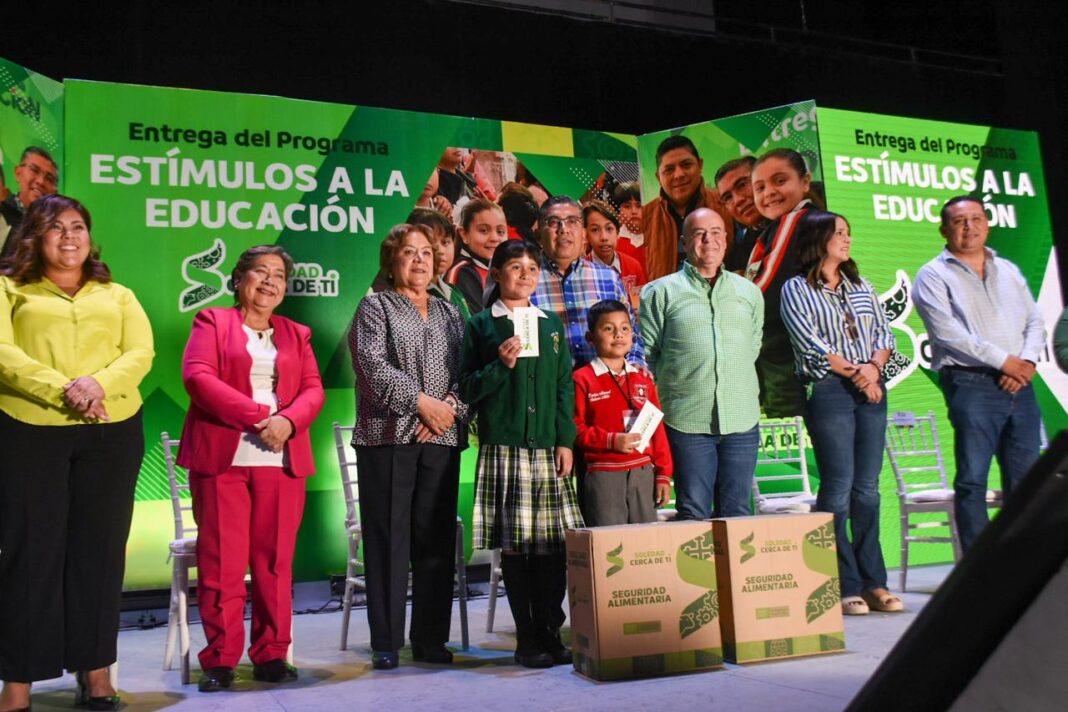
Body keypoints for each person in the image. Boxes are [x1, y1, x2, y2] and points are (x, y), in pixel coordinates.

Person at [0, 194, 153, 712]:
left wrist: (97, 385)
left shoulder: (118, 294)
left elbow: (140, 353)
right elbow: (3, 353)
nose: (70, 237)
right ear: (34, 237)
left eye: (78, 227)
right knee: (29, 554)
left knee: (100, 553)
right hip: (29, 430)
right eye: (56, 227)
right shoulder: (9, 288)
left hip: (111, 431)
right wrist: (66, 390)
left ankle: (96, 672)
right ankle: (18, 682)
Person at [178, 245, 324, 692]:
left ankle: (272, 653)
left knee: (275, 563)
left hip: (281, 461)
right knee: (222, 563)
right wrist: (261, 416)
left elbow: (313, 390)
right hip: (224, 461)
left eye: (278, 275)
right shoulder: (211, 322)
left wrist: (288, 421)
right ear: (239, 279)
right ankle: (220, 659)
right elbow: (198, 377)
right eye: (260, 272)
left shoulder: (297, 333)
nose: (269, 281)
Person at [350, 224, 469, 670]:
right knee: (388, 540)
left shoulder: (451, 312)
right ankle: (386, 641)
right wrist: (422, 405)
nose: (419, 260)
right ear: (391, 260)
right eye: (408, 252)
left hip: (442, 437)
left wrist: (449, 409)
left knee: (435, 541)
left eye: (426, 253)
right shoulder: (374, 306)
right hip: (388, 437)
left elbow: (468, 369)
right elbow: (372, 366)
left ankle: (430, 640)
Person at [460, 239, 581, 668]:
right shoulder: (481, 325)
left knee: (552, 549)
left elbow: (564, 387)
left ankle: (551, 630)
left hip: (547, 450)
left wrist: (565, 440)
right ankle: (526, 638)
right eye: (515, 267)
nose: (525, 275)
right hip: (505, 449)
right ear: (496, 273)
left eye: (532, 268)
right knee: (516, 549)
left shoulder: (550, 325)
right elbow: (467, 387)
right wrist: (501, 365)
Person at [779, 210, 902, 616]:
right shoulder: (797, 288)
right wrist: (859, 375)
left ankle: (875, 582)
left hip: (871, 389)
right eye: (839, 233)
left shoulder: (861, 285)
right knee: (838, 487)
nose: (847, 239)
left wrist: (873, 369)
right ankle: (843, 582)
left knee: (868, 488)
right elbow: (811, 344)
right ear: (818, 238)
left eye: (849, 232)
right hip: (830, 390)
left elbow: (884, 334)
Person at [912, 196, 1045, 552]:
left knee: (1026, 480)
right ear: (944, 230)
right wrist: (1006, 362)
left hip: (1021, 385)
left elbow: (1035, 320)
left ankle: (1021, 559)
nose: (969, 227)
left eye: (976, 219)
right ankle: (979, 565)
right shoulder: (932, 275)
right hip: (971, 384)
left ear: (987, 223)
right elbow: (948, 334)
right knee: (973, 479)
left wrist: (1025, 362)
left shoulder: (1008, 269)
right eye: (959, 221)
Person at [640, 208, 762, 520]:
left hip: (742, 420)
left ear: (727, 239)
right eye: (699, 233)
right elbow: (647, 356)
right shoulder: (659, 292)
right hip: (687, 421)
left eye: (716, 232)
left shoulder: (749, 292)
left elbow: (752, 346)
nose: (709, 240)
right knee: (693, 513)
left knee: (737, 512)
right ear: (684, 242)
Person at [573, 300, 672, 526]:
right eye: (608, 328)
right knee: (609, 539)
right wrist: (611, 441)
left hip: (643, 472)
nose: (618, 334)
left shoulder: (643, 378)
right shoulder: (581, 379)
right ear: (590, 337)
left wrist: (663, 474)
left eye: (625, 328)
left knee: (645, 539)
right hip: (603, 473)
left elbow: (657, 430)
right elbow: (575, 427)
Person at [745, 148, 818, 418]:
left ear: (805, 181)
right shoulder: (776, 227)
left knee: (790, 422)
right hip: (786, 348)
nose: (769, 193)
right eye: (760, 187)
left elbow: (768, 286)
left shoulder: (796, 220)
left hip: (787, 350)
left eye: (780, 181)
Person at [531, 195, 644, 368]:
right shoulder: (524, 282)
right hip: (548, 384)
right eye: (553, 222)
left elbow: (633, 336)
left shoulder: (609, 279)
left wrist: (635, 366)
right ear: (538, 235)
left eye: (572, 221)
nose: (563, 229)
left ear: (583, 234)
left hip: (606, 382)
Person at [640, 135, 733, 281]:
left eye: (686, 165)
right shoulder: (644, 216)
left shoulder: (725, 204)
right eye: (669, 170)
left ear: (700, 165)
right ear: (658, 177)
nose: (679, 175)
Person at [445, 198, 508, 314]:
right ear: (464, 235)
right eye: (484, 230)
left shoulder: (506, 270)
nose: (494, 238)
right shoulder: (461, 273)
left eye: (500, 232)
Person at [407, 207, 471, 320]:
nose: (440, 251)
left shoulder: (454, 292)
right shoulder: (409, 298)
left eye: (445, 242)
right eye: (430, 242)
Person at [584, 200, 647, 312]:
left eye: (609, 229)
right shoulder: (581, 270)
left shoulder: (633, 266)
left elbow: (642, 306)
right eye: (595, 230)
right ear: (586, 235)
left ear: (617, 232)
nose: (604, 237)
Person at [1, 147, 60, 259]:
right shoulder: (2, 212)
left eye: (49, 178)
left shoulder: (56, 229)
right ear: (18, 173)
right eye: (34, 170)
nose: (40, 181)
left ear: (55, 191)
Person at [714, 156, 766, 273]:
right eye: (728, 197)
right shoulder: (734, 260)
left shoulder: (801, 223)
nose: (737, 200)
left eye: (742, 185)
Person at [611, 181, 646, 268]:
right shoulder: (613, 240)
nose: (634, 211)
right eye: (627, 206)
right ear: (619, 212)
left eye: (639, 206)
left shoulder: (658, 238)